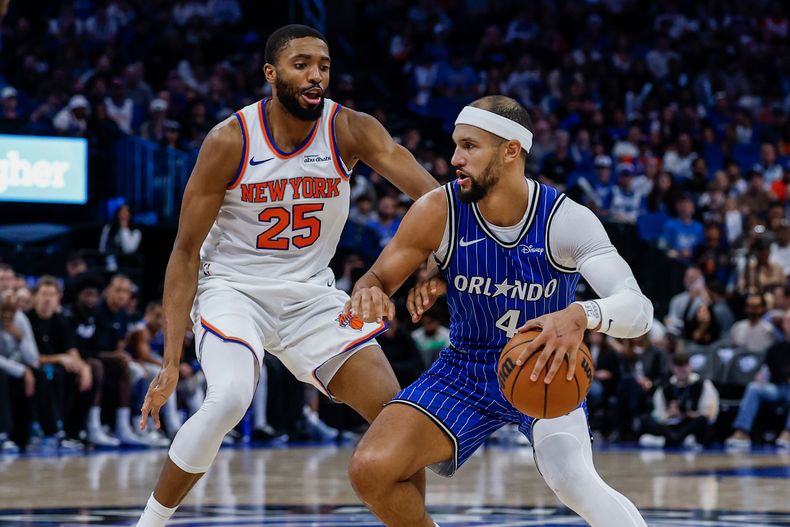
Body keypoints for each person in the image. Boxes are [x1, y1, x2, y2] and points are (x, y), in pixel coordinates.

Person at [135, 24, 437, 527]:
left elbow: (434, 201)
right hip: (233, 287)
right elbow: (185, 251)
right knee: (230, 397)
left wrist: (439, 256)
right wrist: (170, 361)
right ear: (272, 74)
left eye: (323, 65)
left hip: (311, 295)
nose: (315, 75)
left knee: (398, 421)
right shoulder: (230, 139)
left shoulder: (350, 129)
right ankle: (149, 523)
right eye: (301, 65)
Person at [346, 96, 651, 526]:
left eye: (470, 146)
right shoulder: (438, 209)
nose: (455, 158)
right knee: (371, 470)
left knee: (575, 481)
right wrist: (370, 293)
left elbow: (638, 309)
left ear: (511, 150)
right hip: (465, 367)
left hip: (546, 365)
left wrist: (581, 315)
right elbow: (375, 279)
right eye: (455, 145)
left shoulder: (564, 219)